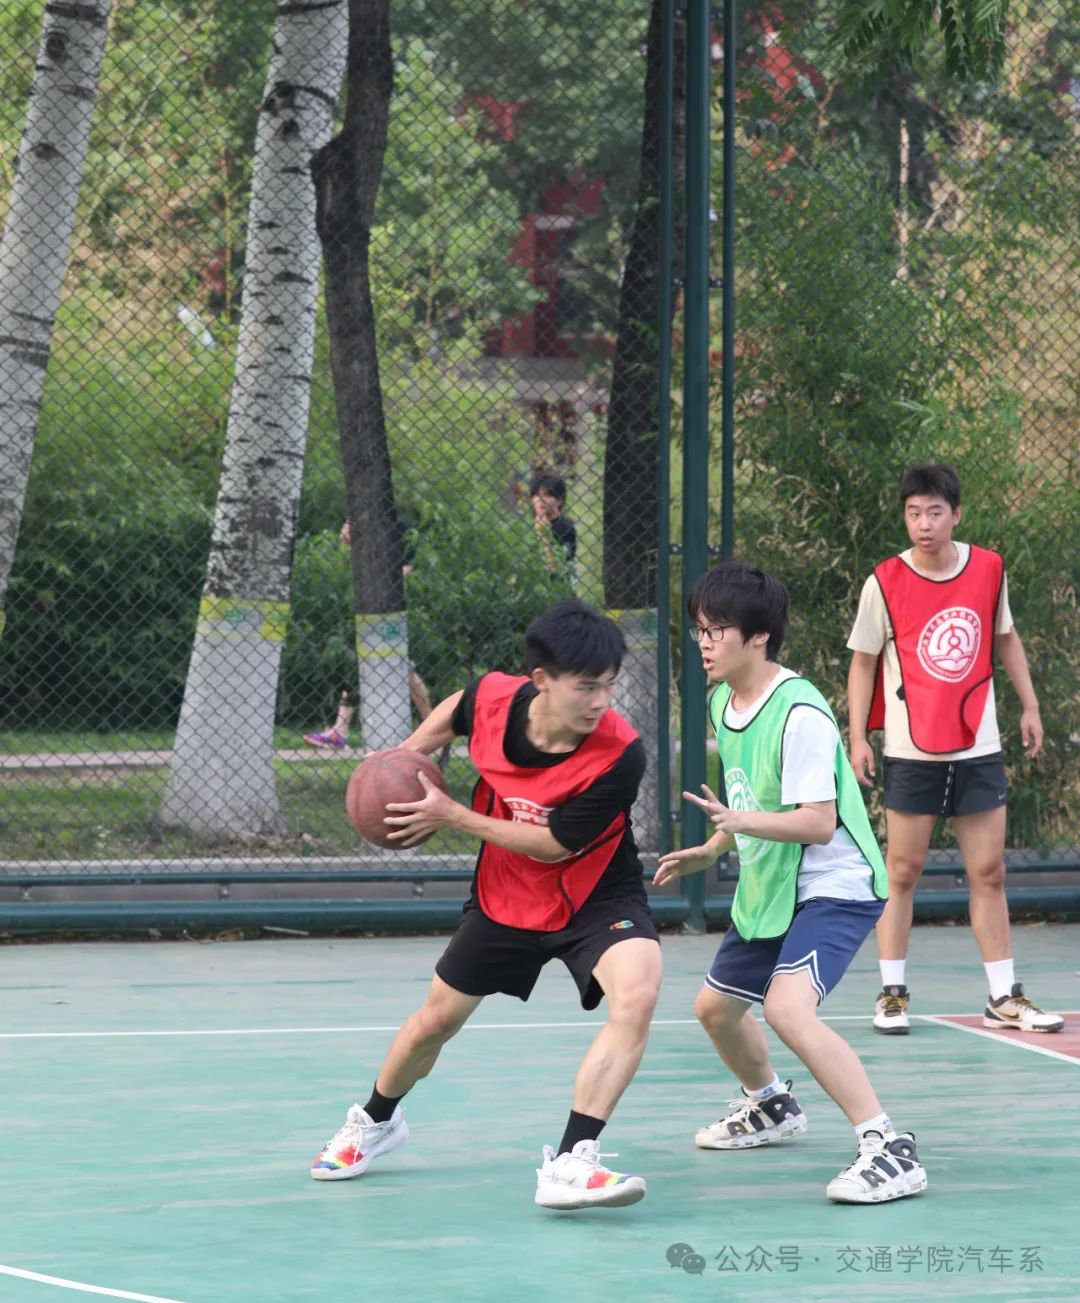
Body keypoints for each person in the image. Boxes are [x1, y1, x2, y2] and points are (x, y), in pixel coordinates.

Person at [310, 598, 663, 1210]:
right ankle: (375, 1121)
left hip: (596, 892)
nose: (601, 701)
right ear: (541, 681)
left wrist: (453, 815)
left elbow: (555, 844)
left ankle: (572, 1161)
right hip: (507, 893)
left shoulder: (619, 753)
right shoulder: (496, 700)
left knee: (638, 992)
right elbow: (458, 707)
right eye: (586, 687)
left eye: (608, 686)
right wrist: (404, 759)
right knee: (436, 1022)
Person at [656, 562, 927, 1204]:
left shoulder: (800, 712)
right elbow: (750, 795)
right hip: (774, 882)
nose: (703, 643)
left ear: (758, 637)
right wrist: (713, 847)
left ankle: (888, 1146)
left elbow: (818, 822)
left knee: (785, 1009)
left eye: (716, 630)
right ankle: (771, 1104)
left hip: (834, 884)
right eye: (699, 630)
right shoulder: (722, 701)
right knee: (716, 1009)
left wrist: (738, 822)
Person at [847, 463, 1063, 1036]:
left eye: (935, 512)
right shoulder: (883, 582)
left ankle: (1003, 997)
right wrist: (858, 736)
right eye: (914, 513)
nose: (924, 523)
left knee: (989, 871)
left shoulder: (988, 569)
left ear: (957, 515)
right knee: (902, 871)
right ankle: (892, 993)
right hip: (910, 748)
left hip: (978, 746)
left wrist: (1031, 706)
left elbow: (1006, 638)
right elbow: (863, 662)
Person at [303, 519, 434, 750]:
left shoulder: (395, 527)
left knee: (401, 667)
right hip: (369, 612)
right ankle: (432, 725)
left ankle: (433, 726)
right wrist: (350, 546)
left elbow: (407, 569)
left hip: (393, 611)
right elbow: (350, 573)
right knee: (389, 666)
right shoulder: (365, 538)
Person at [529, 471, 577, 571]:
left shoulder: (565, 527)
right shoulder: (528, 525)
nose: (540, 499)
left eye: (547, 495)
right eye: (537, 495)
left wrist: (544, 535)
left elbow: (557, 568)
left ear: (560, 501)